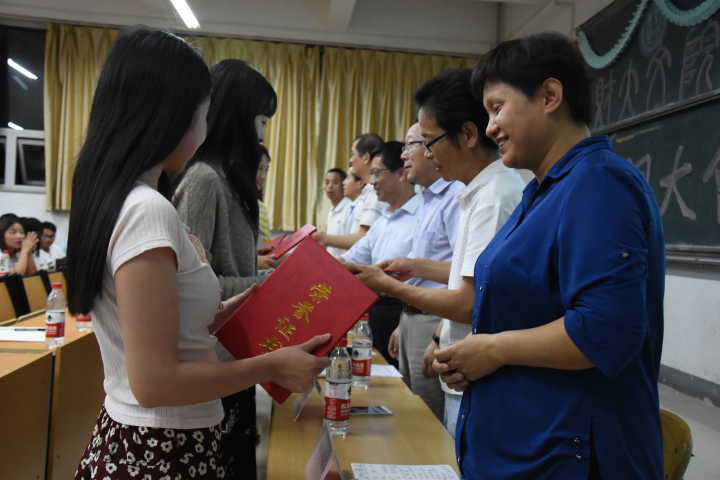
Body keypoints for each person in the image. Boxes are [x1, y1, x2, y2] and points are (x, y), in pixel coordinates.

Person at [66, 27, 329, 480]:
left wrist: (223, 309)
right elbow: (155, 384)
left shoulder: (125, 200)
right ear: (173, 117)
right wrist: (271, 365)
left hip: (151, 438)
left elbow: (159, 323)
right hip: (159, 447)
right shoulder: (147, 211)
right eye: (202, 114)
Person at [432, 33, 665, 479]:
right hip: (527, 444)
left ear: (550, 96)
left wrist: (494, 350)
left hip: (570, 453)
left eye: (497, 108)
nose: (490, 128)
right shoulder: (542, 192)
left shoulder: (598, 184)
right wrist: (475, 358)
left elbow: (604, 329)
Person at [349, 68, 524, 435]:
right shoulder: (477, 192)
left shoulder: (494, 197)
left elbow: (468, 302)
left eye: (429, 142)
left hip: (476, 374)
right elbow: (467, 276)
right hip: (459, 362)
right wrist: (414, 269)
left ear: (468, 134)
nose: (426, 154)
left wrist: (389, 286)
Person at [170, 58, 282, 479]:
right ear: (238, 117)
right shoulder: (204, 180)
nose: (263, 134)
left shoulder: (230, 182)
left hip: (234, 353)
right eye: (262, 121)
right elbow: (188, 285)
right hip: (210, 362)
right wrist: (273, 282)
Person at [342, 141, 421, 365]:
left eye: (377, 173)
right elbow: (350, 260)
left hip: (406, 313)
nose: (372, 182)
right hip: (376, 309)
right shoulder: (384, 219)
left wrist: (405, 321)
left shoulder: (423, 215)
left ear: (401, 173)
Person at [315, 133, 385, 249]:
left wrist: (325, 239)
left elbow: (364, 239)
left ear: (366, 158)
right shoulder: (367, 192)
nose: (351, 160)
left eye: (353, 154)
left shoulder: (375, 192)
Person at [323, 168, 351, 257]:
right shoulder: (331, 211)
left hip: (345, 262)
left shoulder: (350, 208)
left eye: (335, 183)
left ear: (344, 185)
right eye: (327, 182)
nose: (330, 186)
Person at [341, 166, 366, 234]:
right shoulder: (348, 207)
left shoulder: (365, 205)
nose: (343, 182)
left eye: (348, 178)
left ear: (360, 183)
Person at [257, 144, 272, 246]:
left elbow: (266, 245)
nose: (263, 176)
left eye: (266, 170)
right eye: (260, 168)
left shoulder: (262, 208)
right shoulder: (233, 205)